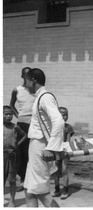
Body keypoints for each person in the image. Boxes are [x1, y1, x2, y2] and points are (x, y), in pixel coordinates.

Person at [23, 68, 65, 207]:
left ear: (33, 81)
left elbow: (58, 121)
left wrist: (50, 148)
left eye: (26, 81)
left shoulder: (45, 97)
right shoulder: (39, 97)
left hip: (41, 148)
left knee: (41, 192)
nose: (25, 85)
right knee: (29, 191)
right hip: (35, 147)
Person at [9, 67, 36, 192]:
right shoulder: (17, 90)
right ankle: (23, 180)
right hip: (22, 124)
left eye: (30, 75)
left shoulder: (36, 89)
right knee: (22, 153)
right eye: (26, 75)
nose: (28, 77)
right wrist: (18, 116)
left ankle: (34, 180)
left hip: (35, 124)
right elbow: (11, 105)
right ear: (22, 76)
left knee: (34, 152)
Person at [3, 105, 27, 207]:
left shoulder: (15, 127)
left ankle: (12, 201)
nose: (9, 116)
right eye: (6, 114)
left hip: (11, 156)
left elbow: (25, 135)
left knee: (12, 179)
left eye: (11, 114)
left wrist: (17, 144)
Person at [53, 107, 75, 199]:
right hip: (55, 151)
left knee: (64, 170)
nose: (65, 117)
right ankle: (57, 189)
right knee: (55, 171)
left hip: (64, 151)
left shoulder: (68, 127)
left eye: (66, 115)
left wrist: (66, 151)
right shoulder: (53, 126)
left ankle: (65, 190)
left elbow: (68, 140)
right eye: (63, 115)